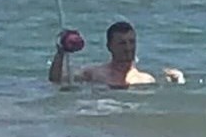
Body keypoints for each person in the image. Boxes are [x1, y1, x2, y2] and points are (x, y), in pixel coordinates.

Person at [48, 20, 185, 88]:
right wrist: (61, 51)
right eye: (122, 43)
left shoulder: (145, 80)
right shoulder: (94, 73)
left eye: (131, 42)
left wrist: (179, 81)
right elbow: (56, 79)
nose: (128, 48)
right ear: (109, 46)